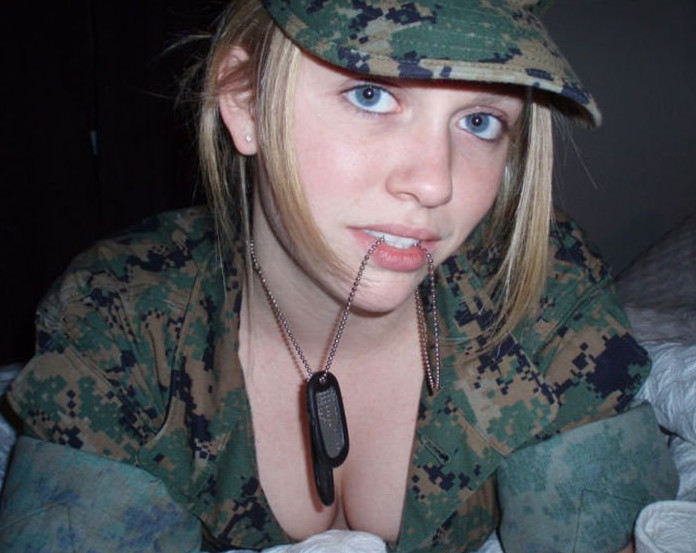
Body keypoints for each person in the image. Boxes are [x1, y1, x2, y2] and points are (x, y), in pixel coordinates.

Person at [0, 1, 675, 552]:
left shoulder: (538, 290)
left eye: (479, 120)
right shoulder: (125, 312)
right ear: (245, 100)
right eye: (371, 94)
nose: (434, 183)